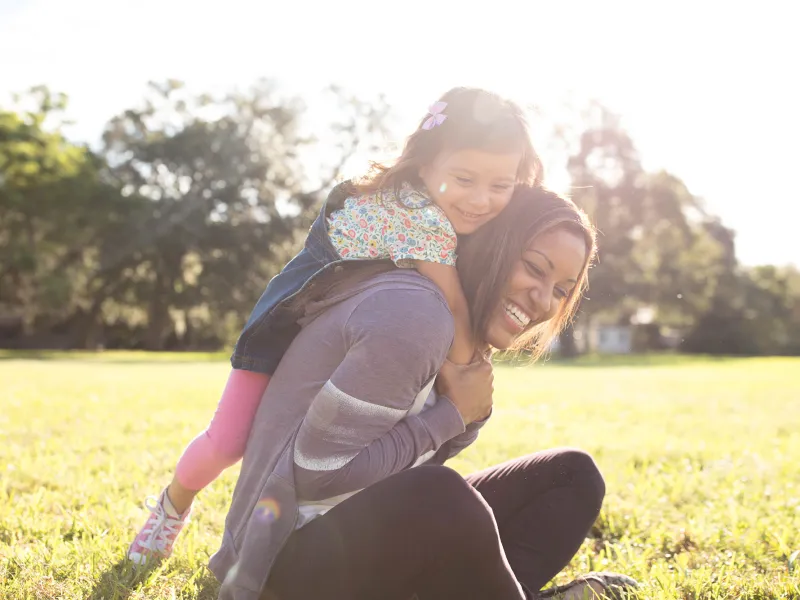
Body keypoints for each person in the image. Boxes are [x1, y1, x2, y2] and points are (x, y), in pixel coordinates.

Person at [128, 86, 544, 564]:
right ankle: (171, 507)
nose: (481, 199)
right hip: (284, 332)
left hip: (347, 338)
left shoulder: (452, 215)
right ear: (426, 164)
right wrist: (469, 377)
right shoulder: (413, 212)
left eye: (501, 185)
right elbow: (452, 305)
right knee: (228, 440)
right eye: (465, 178)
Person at [209, 186, 639, 600]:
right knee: (441, 496)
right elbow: (317, 474)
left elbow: (413, 465)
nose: (544, 300)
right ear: (493, 244)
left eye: (561, 290)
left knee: (572, 474)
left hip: (355, 533)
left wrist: (465, 402)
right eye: (534, 267)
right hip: (277, 565)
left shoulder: (461, 339)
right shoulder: (415, 316)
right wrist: (451, 414)